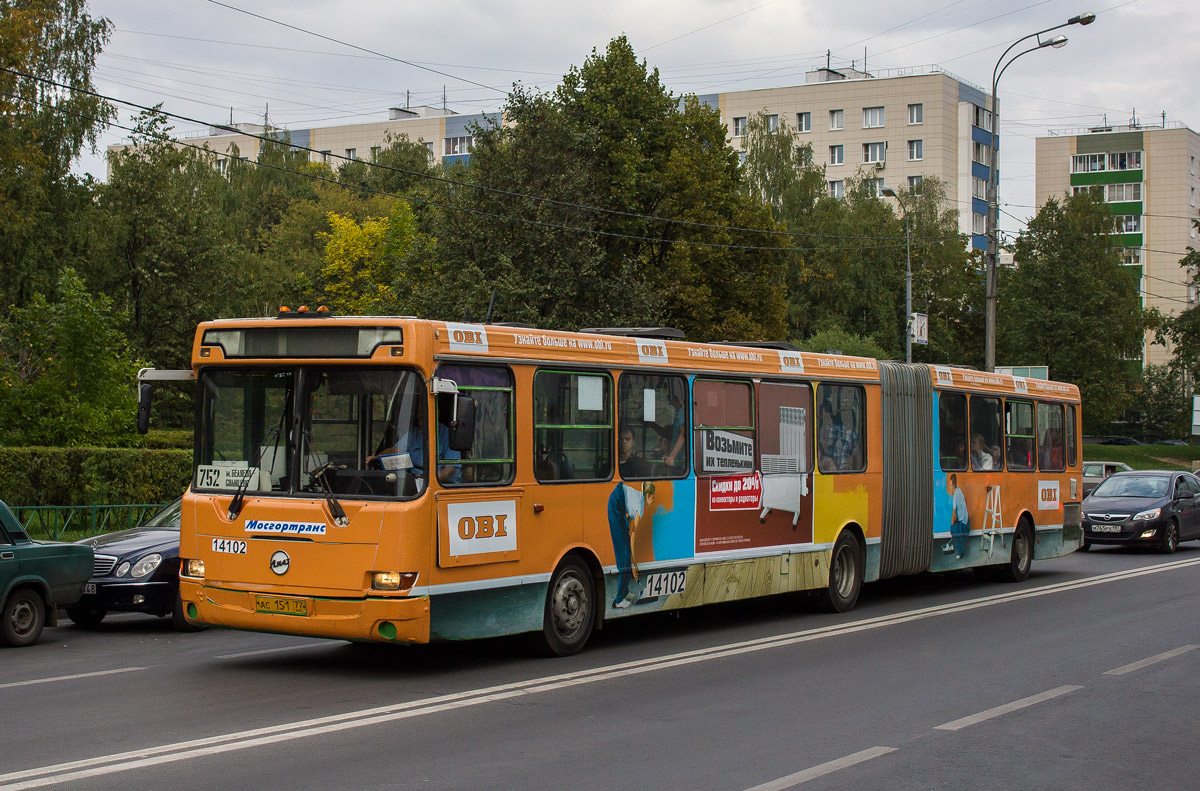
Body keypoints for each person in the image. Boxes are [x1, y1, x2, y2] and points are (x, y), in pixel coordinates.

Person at [607, 479, 656, 608]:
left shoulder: (639, 500)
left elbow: (628, 522)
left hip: (618, 503)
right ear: (647, 496)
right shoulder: (640, 508)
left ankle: (625, 592)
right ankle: (619, 600)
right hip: (615, 505)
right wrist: (634, 566)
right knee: (624, 555)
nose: (654, 500)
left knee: (625, 550)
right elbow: (632, 540)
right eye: (652, 497)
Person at [370, 420, 462, 485]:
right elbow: (396, 450)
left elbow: (449, 471)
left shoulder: (447, 435)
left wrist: (429, 481)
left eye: (424, 410)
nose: (420, 414)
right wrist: (376, 458)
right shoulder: (414, 433)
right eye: (419, 411)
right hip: (417, 485)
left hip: (443, 486)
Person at [943, 473, 970, 559]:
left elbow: (954, 513)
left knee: (953, 530)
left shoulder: (955, 496)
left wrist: (951, 525)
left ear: (953, 485)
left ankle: (960, 552)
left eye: (950, 485)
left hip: (964, 523)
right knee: (954, 528)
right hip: (964, 519)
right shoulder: (959, 490)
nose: (949, 487)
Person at [661, 390, 687, 470]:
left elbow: (683, 434)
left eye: (669, 401)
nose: (668, 403)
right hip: (677, 460)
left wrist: (671, 457)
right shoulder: (678, 413)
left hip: (682, 462)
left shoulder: (683, 413)